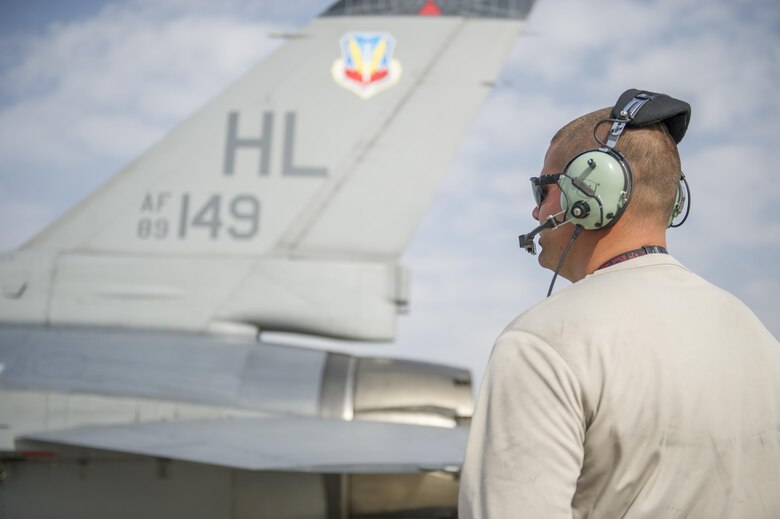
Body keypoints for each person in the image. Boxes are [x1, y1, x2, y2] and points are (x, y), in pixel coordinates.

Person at [458, 90, 780, 518]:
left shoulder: (541, 344)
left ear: (594, 188)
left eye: (542, 190)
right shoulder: (757, 336)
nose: (536, 214)